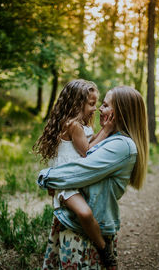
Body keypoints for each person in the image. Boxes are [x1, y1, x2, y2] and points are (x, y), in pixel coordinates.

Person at [38, 85, 149, 270]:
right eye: (97, 104)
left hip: (84, 233)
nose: (99, 109)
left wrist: (48, 177)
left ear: (119, 112)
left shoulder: (121, 145)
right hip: (73, 223)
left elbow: (82, 168)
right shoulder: (111, 137)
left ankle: (104, 249)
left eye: (105, 105)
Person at [34, 79, 116, 267]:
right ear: (77, 104)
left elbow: (91, 141)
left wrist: (103, 134)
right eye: (91, 104)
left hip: (75, 178)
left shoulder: (82, 125)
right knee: (85, 214)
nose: (95, 109)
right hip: (66, 182)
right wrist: (107, 129)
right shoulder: (72, 125)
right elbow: (87, 151)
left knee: (92, 211)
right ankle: (104, 249)